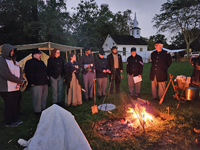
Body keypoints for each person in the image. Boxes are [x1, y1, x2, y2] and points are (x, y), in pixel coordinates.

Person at [0, 44, 24, 127]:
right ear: (7, 51)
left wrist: (21, 80)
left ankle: (14, 118)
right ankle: (9, 122)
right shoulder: (1, 61)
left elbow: (19, 70)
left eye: (13, 51)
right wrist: (19, 81)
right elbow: (6, 75)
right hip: (6, 88)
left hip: (15, 87)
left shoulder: (13, 60)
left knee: (15, 103)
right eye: (11, 51)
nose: (13, 52)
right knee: (9, 104)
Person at [24, 49, 48, 115]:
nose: (40, 55)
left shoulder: (42, 62)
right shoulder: (30, 62)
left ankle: (43, 109)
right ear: (34, 55)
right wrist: (31, 82)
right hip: (36, 84)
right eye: (39, 54)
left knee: (44, 97)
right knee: (37, 98)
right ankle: (37, 111)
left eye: (40, 54)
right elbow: (28, 73)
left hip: (44, 83)